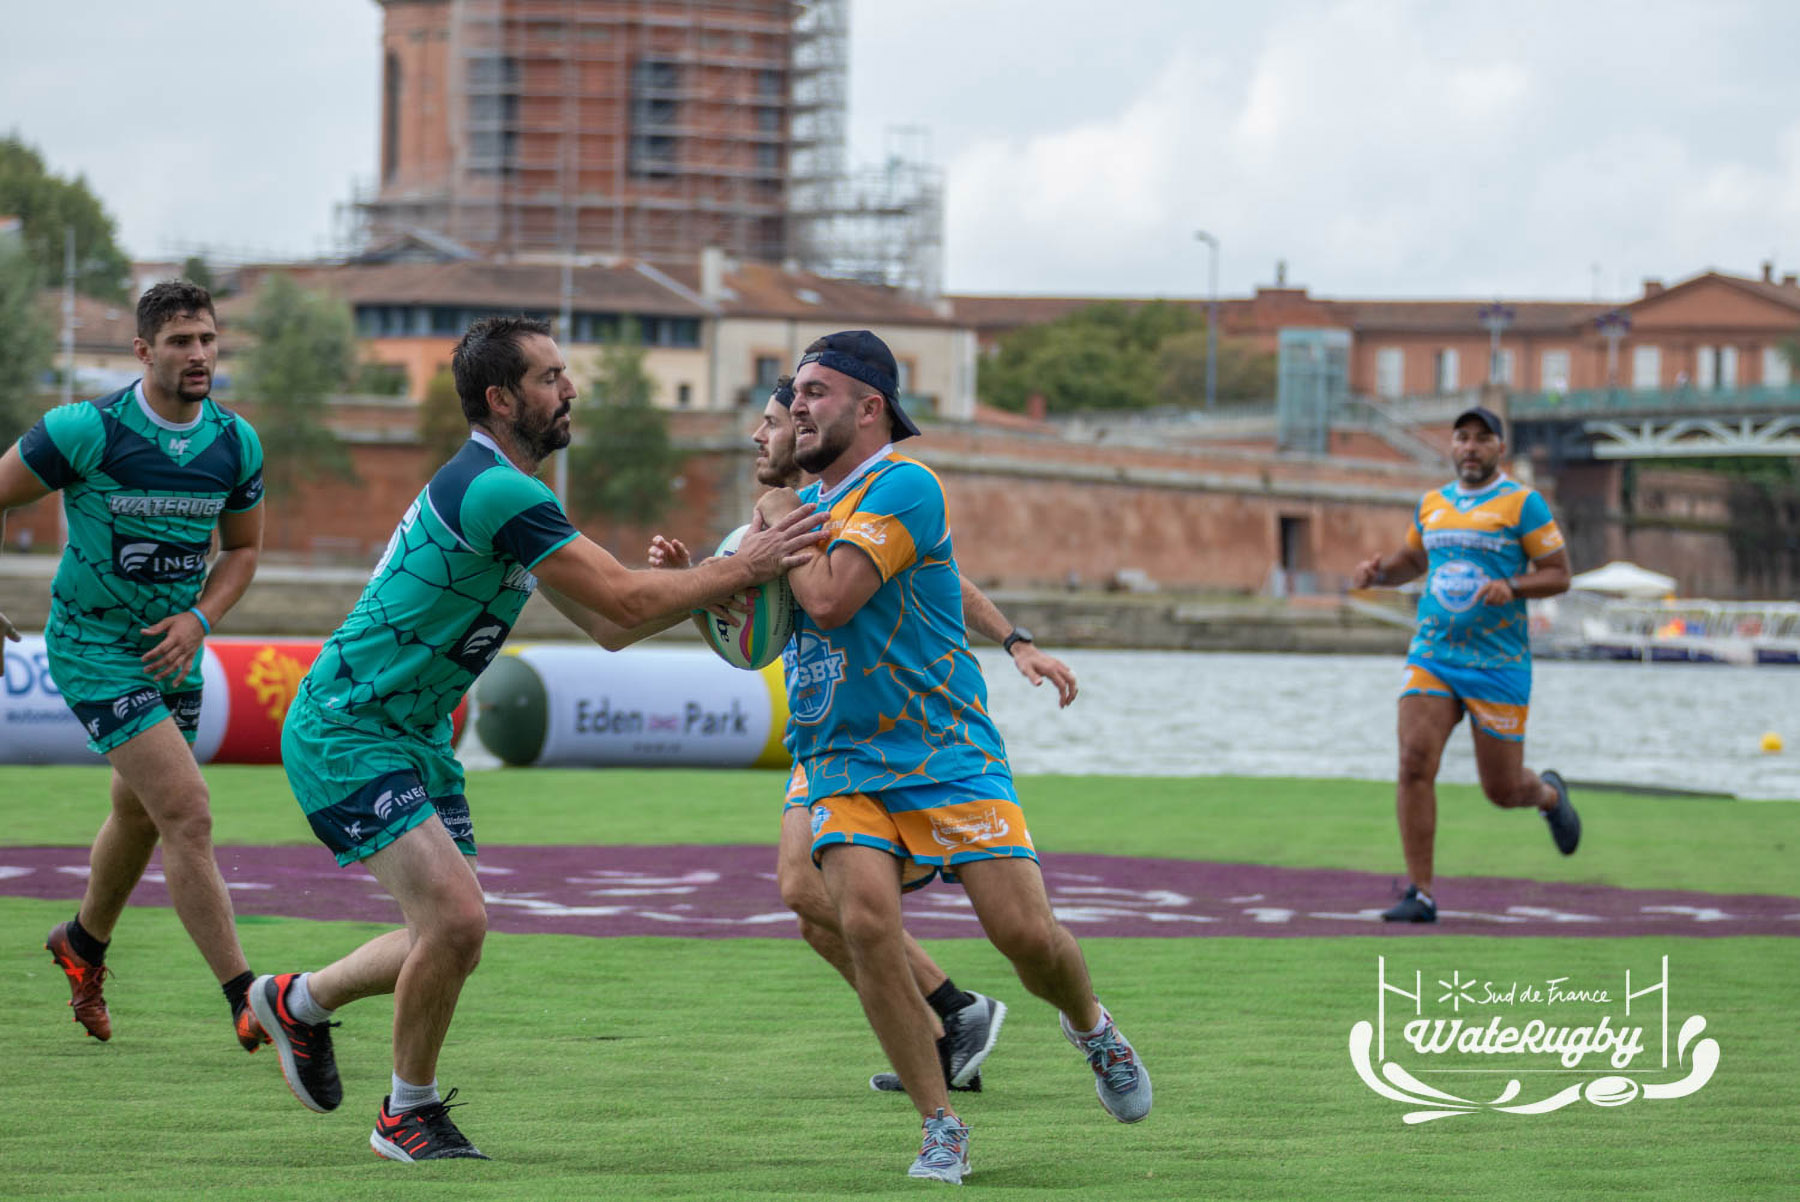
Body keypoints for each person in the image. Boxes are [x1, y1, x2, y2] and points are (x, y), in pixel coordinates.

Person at [249, 315, 825, 1163]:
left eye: (565, 374)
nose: (571, 389)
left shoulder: (518, 494)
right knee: (454, 918)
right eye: (552, 377)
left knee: (444, 934)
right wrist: (744, 566)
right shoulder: (497, 490)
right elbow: (625, 604)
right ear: (500, 398)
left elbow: (612, 626)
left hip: (412, 733)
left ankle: (298, 1003)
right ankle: (404, 1115)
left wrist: (693, 586)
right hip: (349, 727)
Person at [758, 331, 1150, 1185]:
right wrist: (699, 582)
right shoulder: (815, 503)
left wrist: (775, 515)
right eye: (793, 396)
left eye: (815, 392)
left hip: (944, 750)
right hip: (842, 755)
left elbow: (824, 599)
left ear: (870, 408)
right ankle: (940, 1122)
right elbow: (931, 576)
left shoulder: (902, 482)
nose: (796, 407)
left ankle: (1091, 1027)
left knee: (1025, 935)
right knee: (857, 919)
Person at [651, 376, 1081, 1098]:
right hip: (829, 731)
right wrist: (696, 591)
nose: (760, 437)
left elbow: (943, 578)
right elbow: (746, 640)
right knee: (813, 908)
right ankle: (950, 1018)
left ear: (808, 427)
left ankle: (958, 1015)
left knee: (821, 895)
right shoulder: (767, 525)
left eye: (773, 421)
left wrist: (1015, 641)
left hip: (902, 727)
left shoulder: (871, 495)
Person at [0, 280, 270, 1052]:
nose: (199, 355)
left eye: (208, 340)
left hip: (172, 650)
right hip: (91, 645)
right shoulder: (85, 430)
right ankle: (246, 999)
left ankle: (82, 946)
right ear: (144, 351)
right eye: (182, 341)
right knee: (187, 809)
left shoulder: (235, 442)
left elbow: (245, 551)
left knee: (139, 814)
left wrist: (199, 617)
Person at [1351, 405, 1579, 924]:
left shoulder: (1523, 504)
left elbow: (1559, 575)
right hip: (1434, 652)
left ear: (1501, 449)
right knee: (1413, 761)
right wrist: (1380, 572)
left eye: (1482, 439)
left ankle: (1546, 794)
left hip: (1498, 661)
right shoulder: (1433, 503)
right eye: (1462, 438)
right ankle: (1421, 894)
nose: (1470, 447)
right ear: (1451, 446)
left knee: (1502, 790)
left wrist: (1514, 586)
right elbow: (1414, 560)